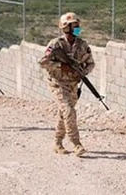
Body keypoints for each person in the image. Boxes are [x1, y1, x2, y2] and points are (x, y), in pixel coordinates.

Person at [39, 12, 95, 156]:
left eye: (77, 25)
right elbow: (43, 62)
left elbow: (90, 63)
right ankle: (76, 143)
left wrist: (82, 72)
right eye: (74, 26)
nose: (77, 28)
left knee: (64, 114)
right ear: (65, 27)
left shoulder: (82, 45)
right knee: (69, 111)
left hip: (73, 84)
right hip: (57, 83)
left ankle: (58, 142)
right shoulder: (56, 44)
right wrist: (61, 66)